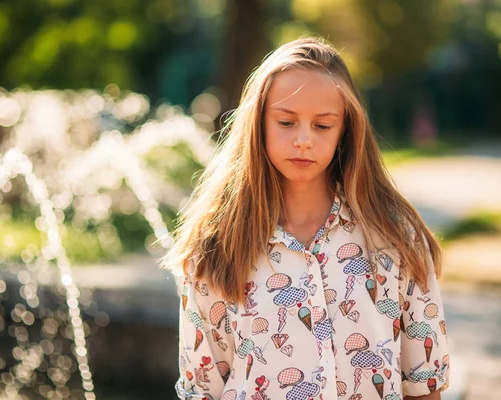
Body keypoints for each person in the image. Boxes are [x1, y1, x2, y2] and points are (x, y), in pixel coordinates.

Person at [157, 36, 451, 400]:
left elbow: (425, 383)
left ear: (346, 130)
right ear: (259, 123)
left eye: (323, 125)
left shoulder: (396, 238)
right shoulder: (215, 248)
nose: (303, 140)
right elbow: (202, 389)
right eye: (286, 121)